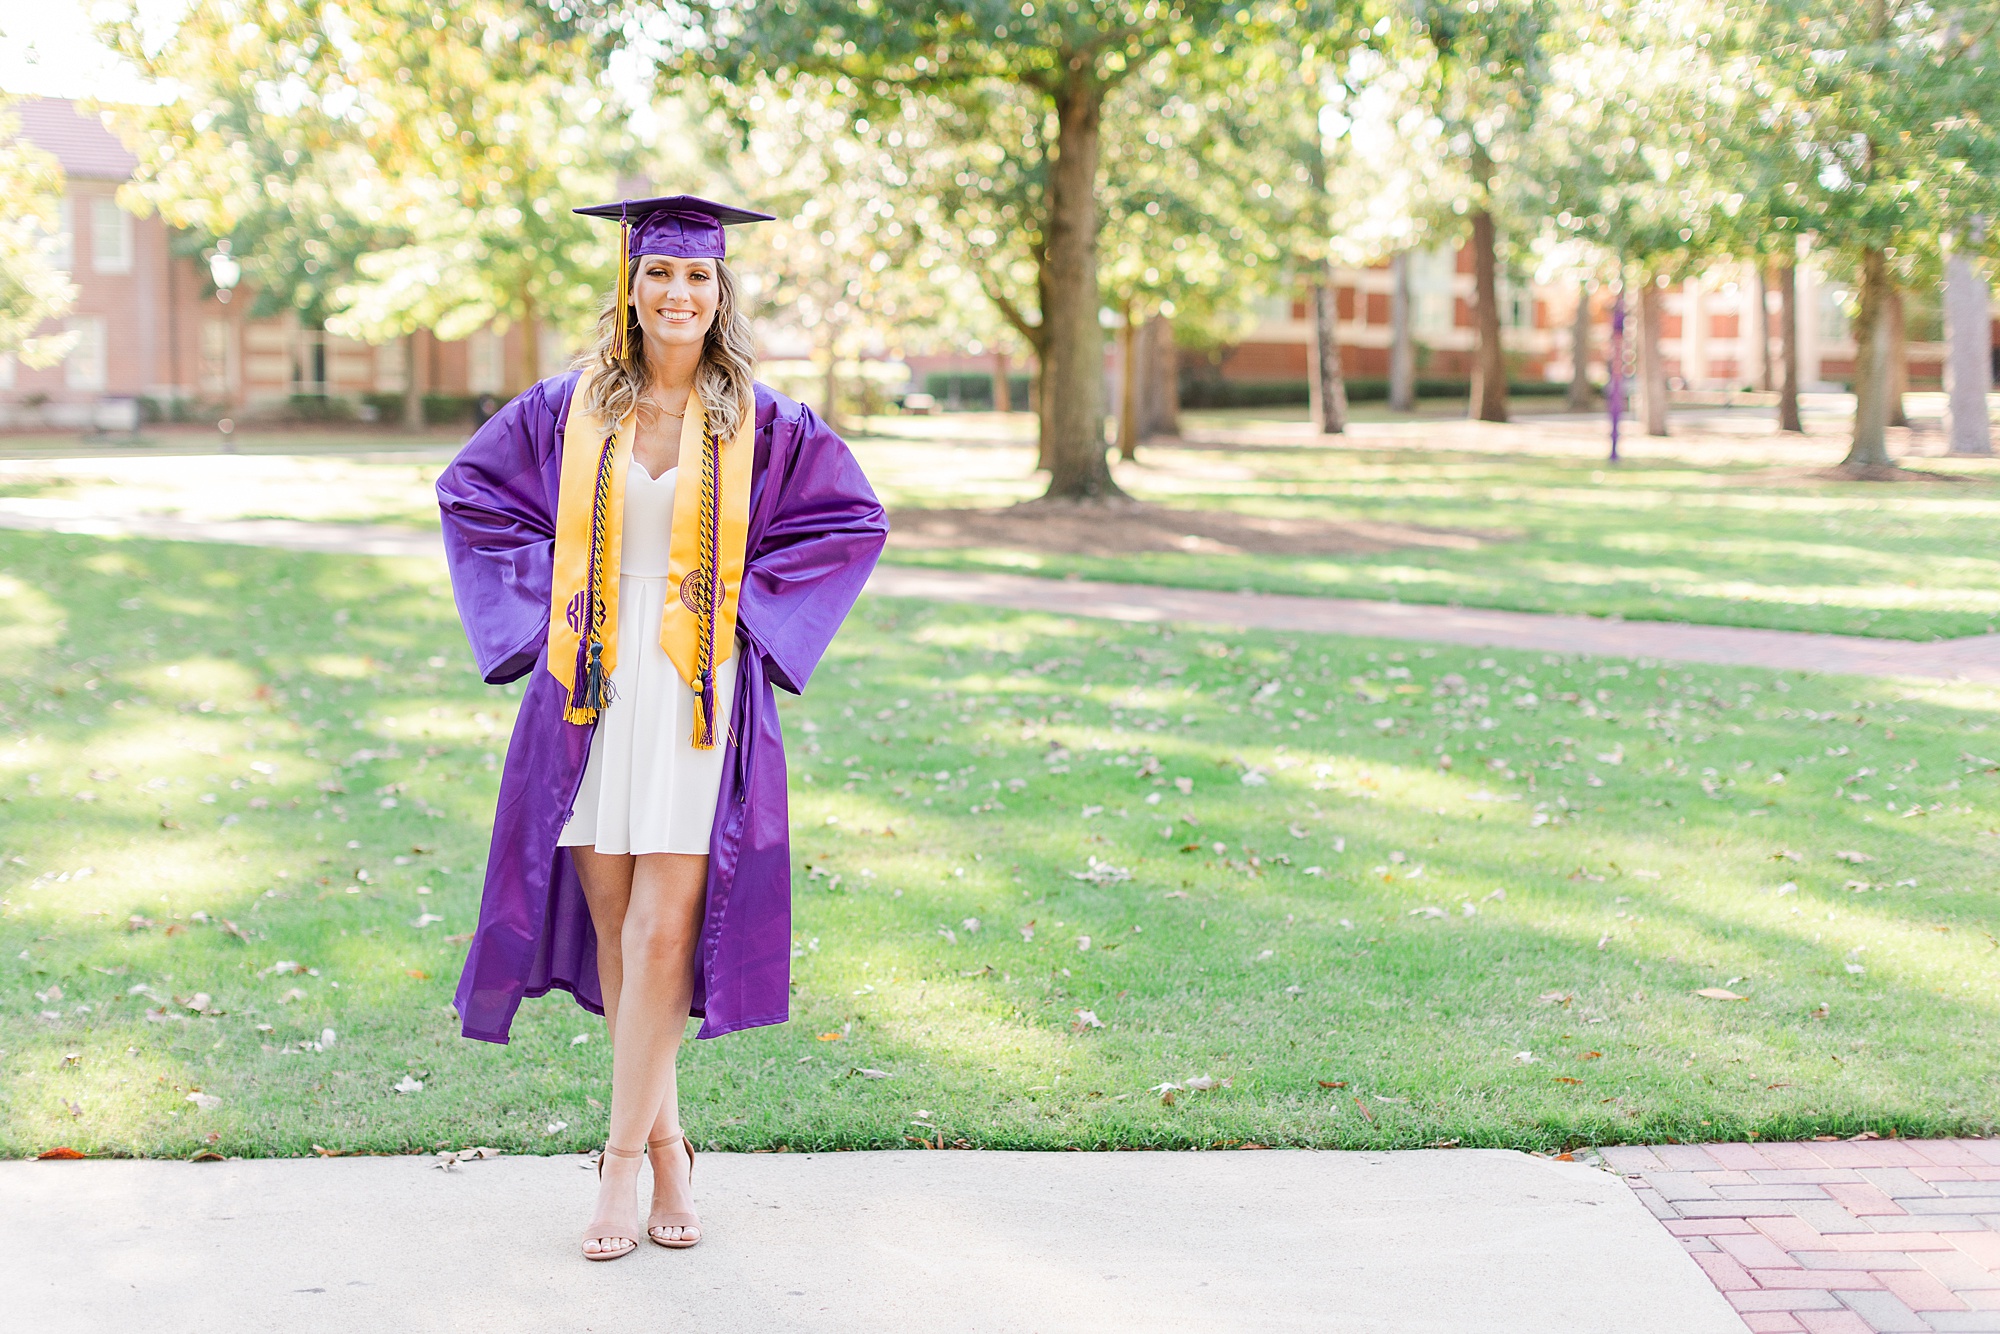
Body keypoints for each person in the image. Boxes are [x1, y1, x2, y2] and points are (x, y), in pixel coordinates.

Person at [435, 195, 888, 1262]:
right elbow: (470, 495)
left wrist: (743, 615)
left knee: (660, 933)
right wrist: (554, 596)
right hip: (589, 679)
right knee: (612, 922)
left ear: (719, 292)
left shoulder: (760, 421)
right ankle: (674, 1146)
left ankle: (618, 1167)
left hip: (696, 687)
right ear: (630, 286)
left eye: (697, 277)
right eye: (659, 274)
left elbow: (850, 520)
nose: (678, 293)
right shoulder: (565, 408)